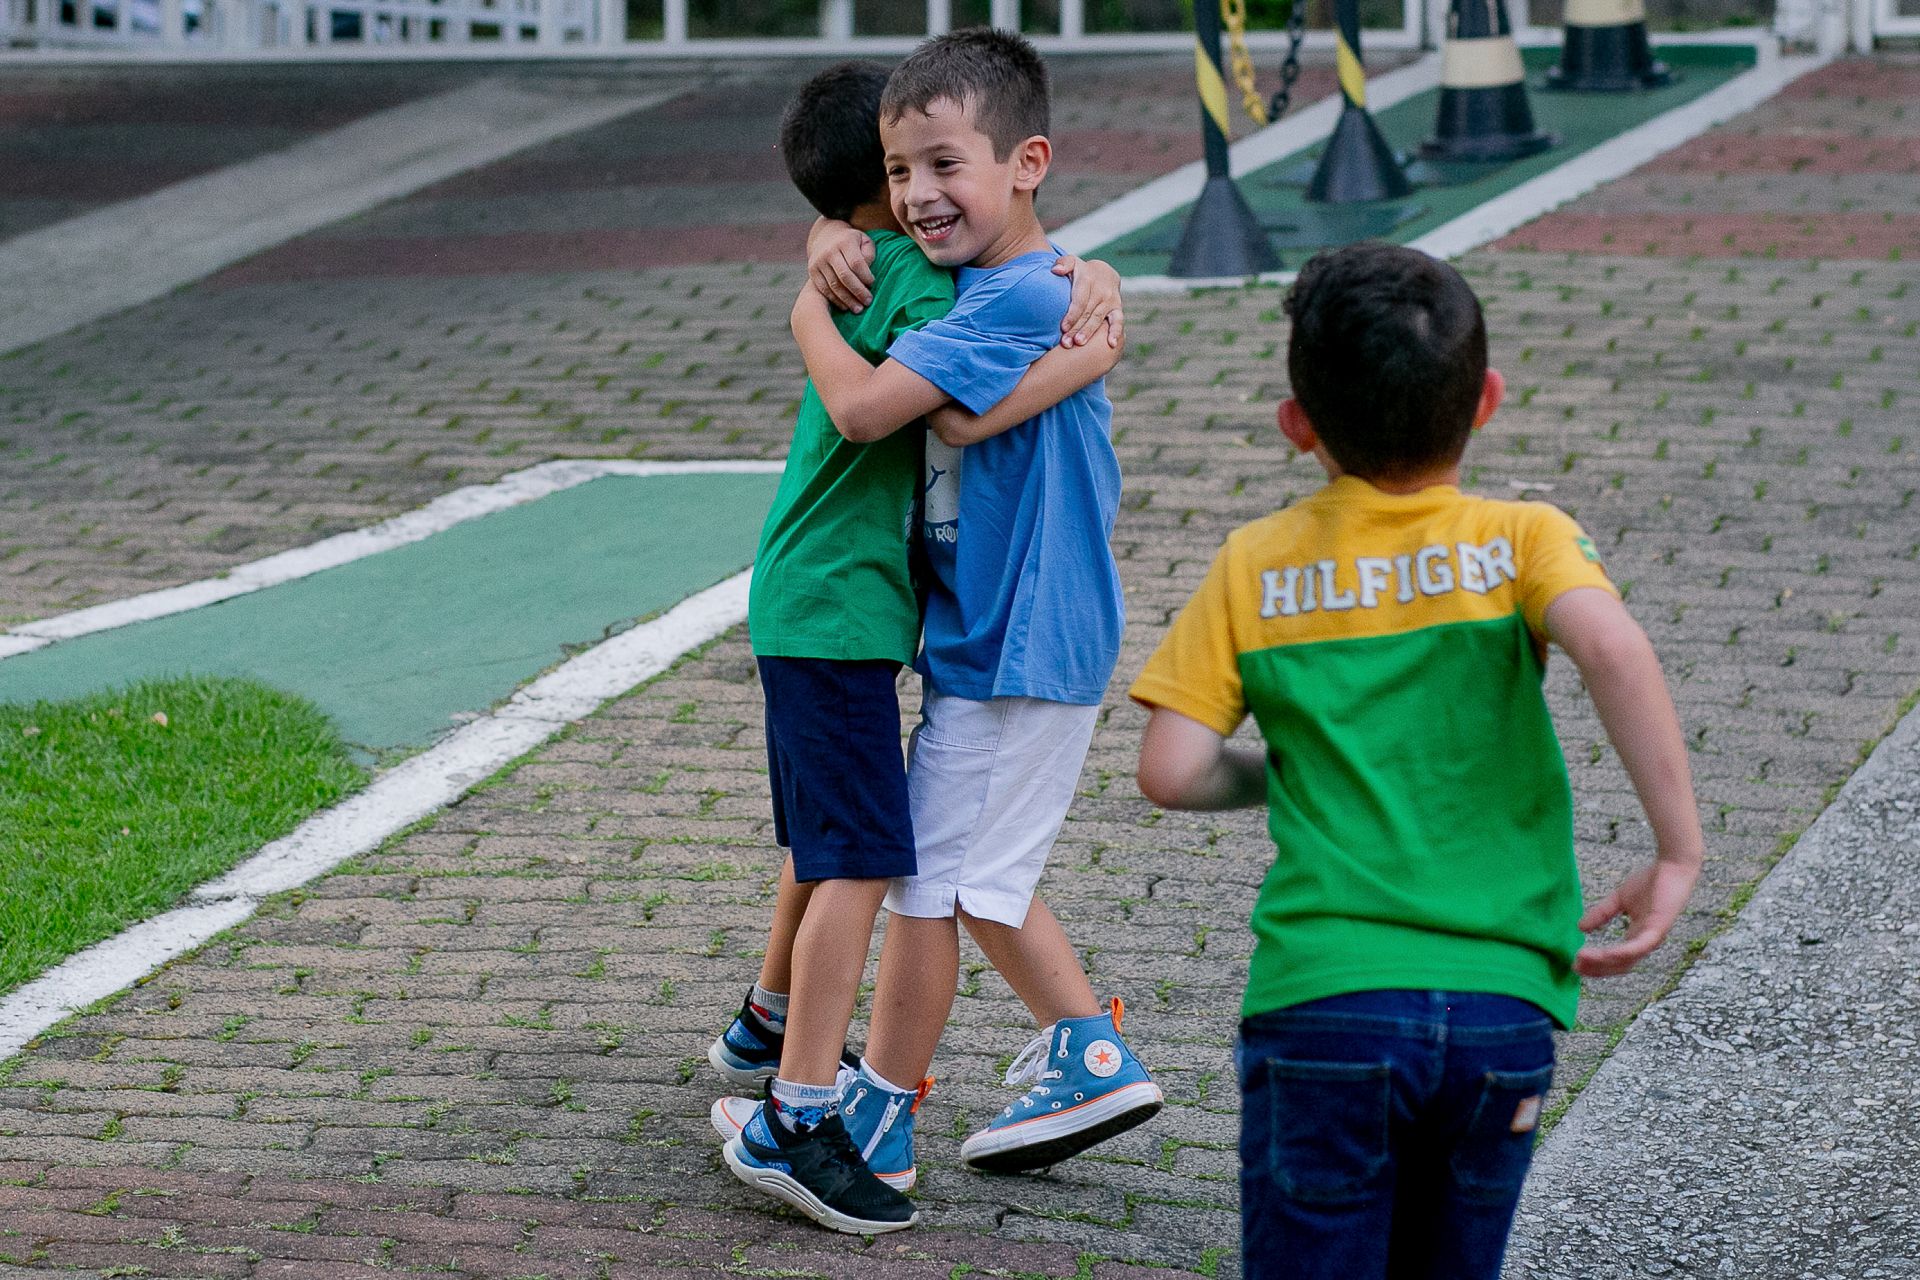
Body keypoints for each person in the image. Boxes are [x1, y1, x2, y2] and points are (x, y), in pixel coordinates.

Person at [1129, 240, 1705, 1280]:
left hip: (1325, 1004)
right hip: (1502, 1009)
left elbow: (1170, 770)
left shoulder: (1254, 562)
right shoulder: (1524, 537)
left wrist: (1284, 769)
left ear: (1297, 424)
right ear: (1485, 401)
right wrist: (1676, 850)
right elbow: (1615, 649)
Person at [709, 59, 1124, 1236]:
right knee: (899, 867)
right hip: (905, 626)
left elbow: (939, 401)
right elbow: (926, 403)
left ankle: (836, 1089)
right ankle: (847, 1096)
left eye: (944, 165)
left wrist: (1082, 300)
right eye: (902, 172)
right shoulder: (924, 275)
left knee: (905, 869)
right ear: (876, 197)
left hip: (966, 635)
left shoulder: (962, 280)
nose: (923, 192)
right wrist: (1088, 319)